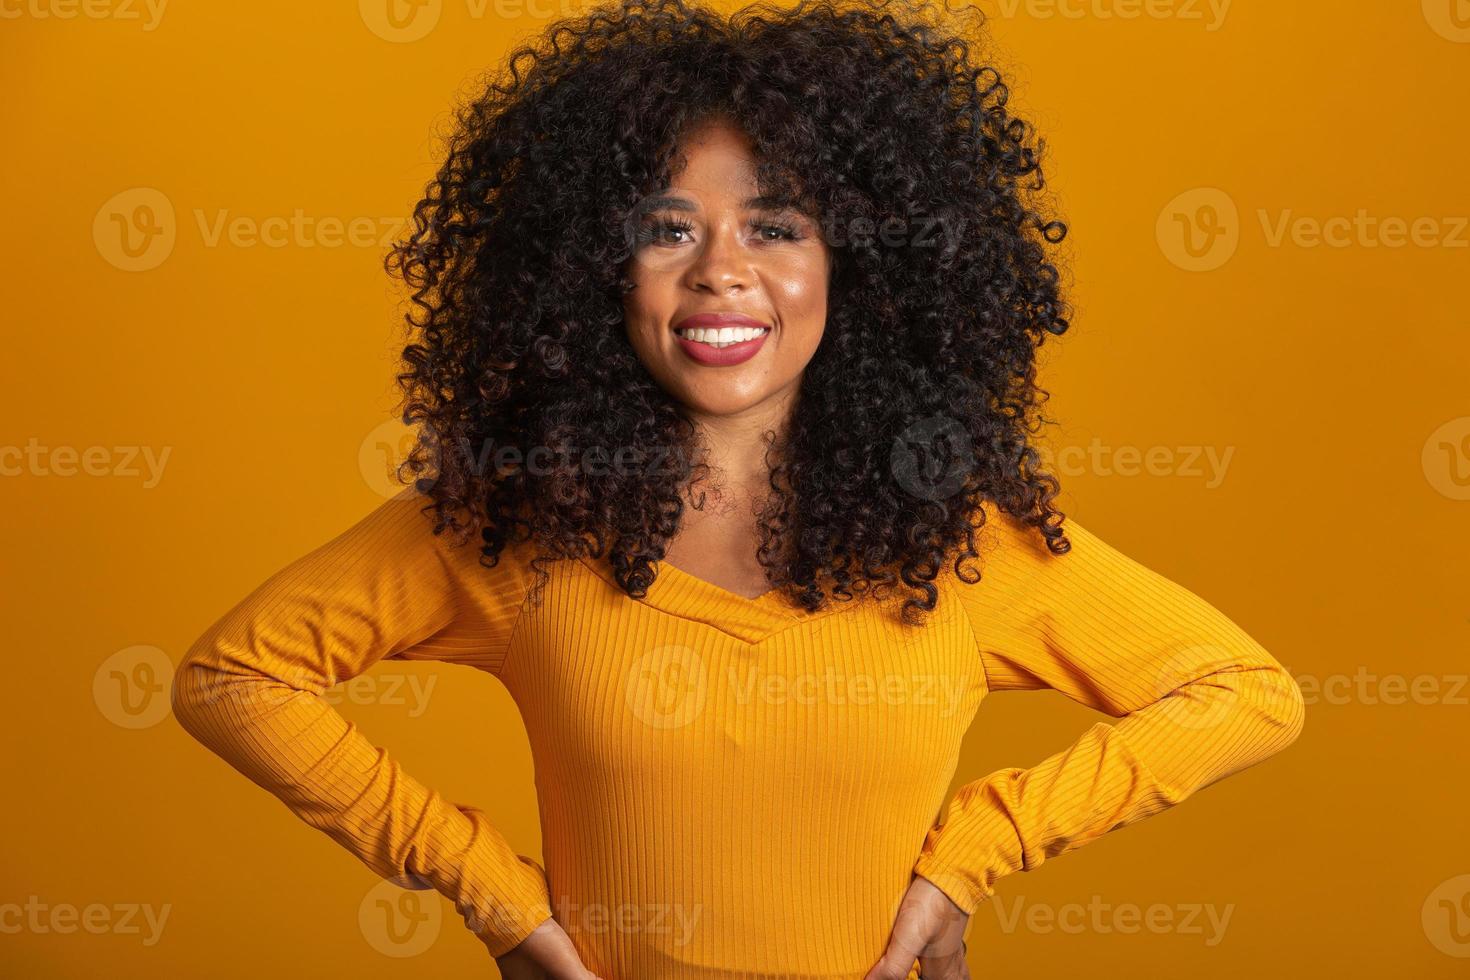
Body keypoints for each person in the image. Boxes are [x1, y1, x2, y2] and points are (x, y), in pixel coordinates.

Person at [171, 0, 1306, 977]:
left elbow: (1242, 691)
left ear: (852, 263)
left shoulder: (957, 539)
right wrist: (495, 897)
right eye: (668, 230)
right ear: (592, 270)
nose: (721, 267)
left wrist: (975, 851)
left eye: (776, 225)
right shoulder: (518, 522)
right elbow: (232, 676)